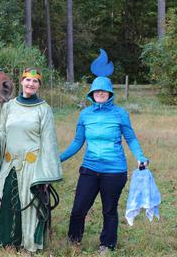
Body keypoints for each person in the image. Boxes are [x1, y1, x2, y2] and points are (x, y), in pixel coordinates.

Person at [60, 49, 149, 253]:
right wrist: (58, 158)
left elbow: (131, 138)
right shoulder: (85, 115)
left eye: (104, 91)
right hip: (90, 168)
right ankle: (74, 241)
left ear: (110, 94)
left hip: (114, 171)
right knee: (78, 209)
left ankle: (107, 244)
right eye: (96, 91)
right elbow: (77, 142)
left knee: (109, 210)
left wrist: (140, 157)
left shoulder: (120, 114)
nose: (100, 94)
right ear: (91, 94)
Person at [0, 67, 63, 253]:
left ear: (39, 86)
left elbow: (49, 142)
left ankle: (27, 243)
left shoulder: (44, 109)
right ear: (21, 82)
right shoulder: (9, 106)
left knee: (28, 204)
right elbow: (2, 131)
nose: (31, 84)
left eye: (35, 81)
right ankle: (3, 240)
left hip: (31, 166)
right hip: (9, 164)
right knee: (3, 203)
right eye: (27, 80)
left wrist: (46, 176)